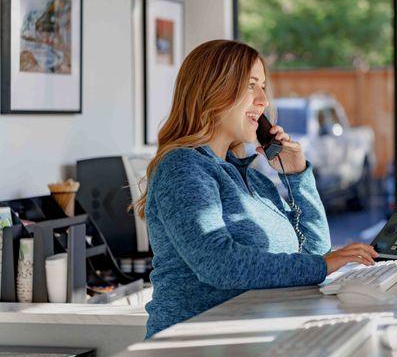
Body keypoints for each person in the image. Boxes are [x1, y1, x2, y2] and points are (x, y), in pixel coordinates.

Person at [135, 39, 379, 338]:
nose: (264, 100)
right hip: (191, 344)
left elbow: (315, 251)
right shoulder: (183, 166)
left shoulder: (254, 178)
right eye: (251, 85)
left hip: (247, 340)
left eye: (263, 86)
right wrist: (321, 265)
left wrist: (298, 176)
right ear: (214, 90)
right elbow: (218, 264)